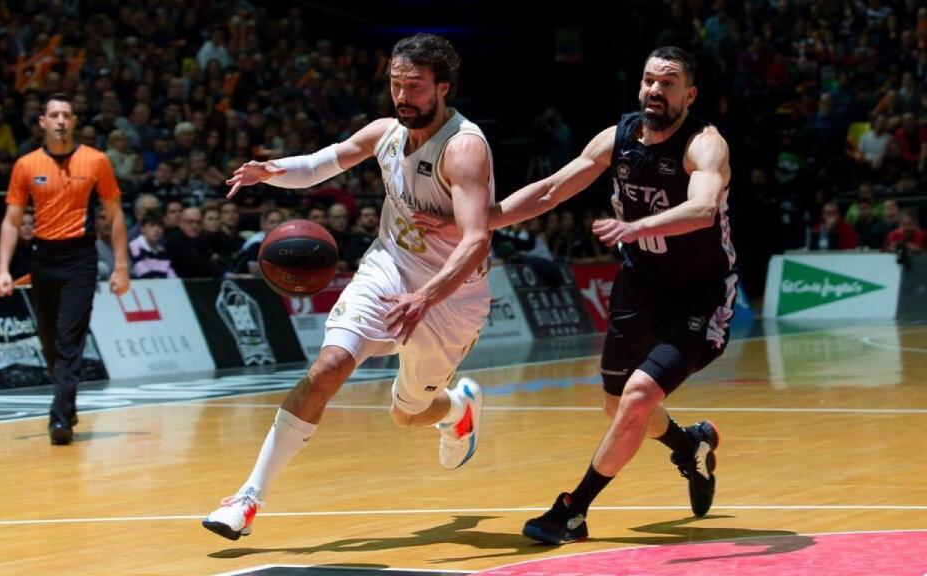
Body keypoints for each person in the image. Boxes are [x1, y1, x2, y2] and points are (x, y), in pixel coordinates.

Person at [419, 46, 733, 545]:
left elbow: (701, 210)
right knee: (619, 408)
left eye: (668, 82)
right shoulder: (619, 137)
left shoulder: (704, 145)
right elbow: (550, 191)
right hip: (640, 288)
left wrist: (636, 226)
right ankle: (689, 445)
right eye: (649, 80)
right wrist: (473, 222)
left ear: (688, 94)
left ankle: (572, 510)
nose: (655, 89)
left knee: (636, 398)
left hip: (698, 297)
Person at [203, 33, 493, 541]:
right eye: (396, 84)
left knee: (408, 415)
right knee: (329, 367)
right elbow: (321, 164)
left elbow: (477, 240)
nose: (403, 96)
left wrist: (425, 297)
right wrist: (271, 172)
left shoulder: (464, 150)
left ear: (443, 88)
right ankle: (248, 498)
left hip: (450, 298)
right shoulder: (386, 132)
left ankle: (459, 406)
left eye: (416, 86)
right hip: (389, 269)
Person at [0, 93, 130, 446]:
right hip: (43, 259)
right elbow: (11, 221)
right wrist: (3, 269)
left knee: (70, 339)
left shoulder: (96, 160)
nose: (59, 121)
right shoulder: (25, 165)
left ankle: (59, 419)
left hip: (80, 259)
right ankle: (67, 404)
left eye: (66, 115)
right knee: (50, 342)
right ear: (42, 121)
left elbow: (114, 215)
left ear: (73, 122)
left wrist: (120, 266)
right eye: (53, 115)